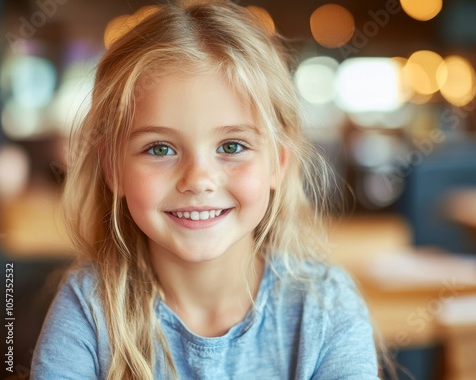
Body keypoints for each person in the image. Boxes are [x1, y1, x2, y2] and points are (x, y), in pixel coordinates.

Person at [31, 0, 381, 378]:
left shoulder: (326, 307)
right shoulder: (90, 308)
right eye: (160, 149)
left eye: (232, 147)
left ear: (277, 164)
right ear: (113, 168)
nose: (198, 179)